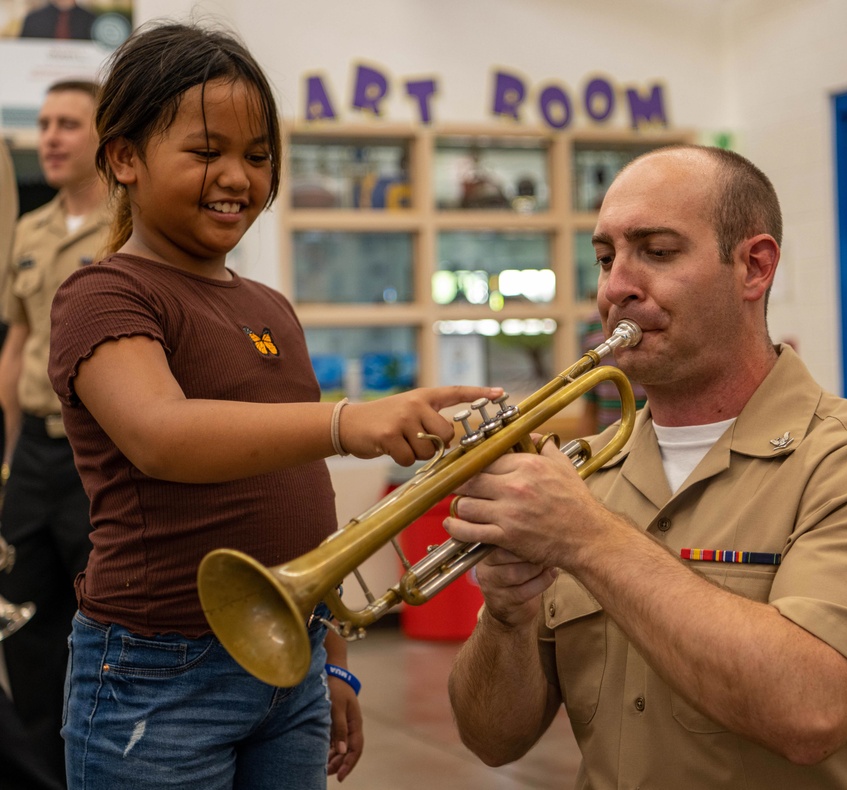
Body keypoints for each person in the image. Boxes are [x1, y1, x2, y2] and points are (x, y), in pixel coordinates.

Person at [46, 22, 501, 790]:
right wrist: (345, 420)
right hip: (158, 674)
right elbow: (161, 435)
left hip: (288, 654)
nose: (237, 177)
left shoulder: (268, 307)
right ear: (123, 157)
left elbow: (301, 498)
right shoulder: (103, 295)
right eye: (206, 152)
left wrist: (334, 660)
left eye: (258, 157)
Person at [446, 144, 847, 788]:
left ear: (753, 268)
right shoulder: (585, 473)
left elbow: (811, 711)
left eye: (656, 252)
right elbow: (491, 740)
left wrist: (586, 537)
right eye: (605, 258)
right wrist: (506, 615)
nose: (615, 288)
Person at [0, 79, 108, 788]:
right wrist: (8, 460)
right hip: (35, 454)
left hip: (101, 456)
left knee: (100, 626)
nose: (51, 137)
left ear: (108, 138)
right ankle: (44, 776)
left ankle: (103, 768)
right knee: (27, 629)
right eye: (44, 123)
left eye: (69, 123)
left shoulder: (132, 230)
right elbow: (17, 343)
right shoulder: (30, 231)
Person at [577, 309, 647, 436]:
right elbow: (591, 404)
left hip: (647, 439)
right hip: (605, 441)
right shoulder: (593, 323)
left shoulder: (648, 315)